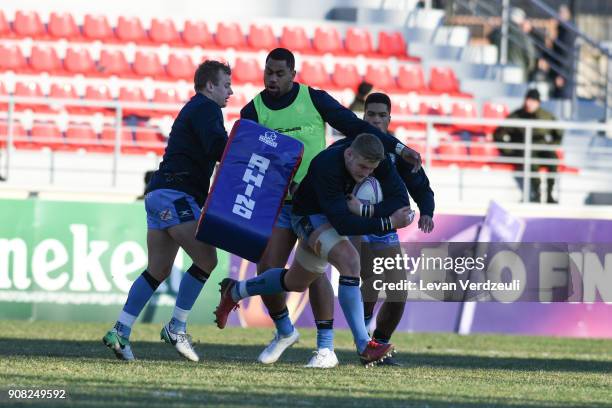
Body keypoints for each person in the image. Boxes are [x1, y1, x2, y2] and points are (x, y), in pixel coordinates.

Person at [238, 47, 422, 365]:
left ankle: (326, 347)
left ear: (293, 75)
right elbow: (250, 159)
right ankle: (284, 330)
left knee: (320, 272)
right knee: (270, 271)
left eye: (280, 73)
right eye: (268, 72)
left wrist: (400, 148)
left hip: (320, 203)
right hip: (280, 203)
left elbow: (356, 126)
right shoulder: (252, 111)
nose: (272, 78)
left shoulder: (314, 98)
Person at [214, 133, 415, 366]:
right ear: (349, 154)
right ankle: (364, 345)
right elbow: (344, 224)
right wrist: (388, 222)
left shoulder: (376, 162)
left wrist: (368, 211)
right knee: (350, 261)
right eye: (362, 167)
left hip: (330, 218)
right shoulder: (327, 165)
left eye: (372, 169)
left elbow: (400, 200)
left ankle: (235, 291)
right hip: (308, 217)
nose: (366, 173)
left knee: (296, 281)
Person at [102, 60, 233, 361]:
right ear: (210, 85)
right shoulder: (207, 108)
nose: (231, 91)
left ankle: (120, 331)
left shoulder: (195, 108)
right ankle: (176, 326)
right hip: (177, 194)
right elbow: (218, 148)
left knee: (157, 270)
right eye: (226, 84)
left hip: (159, 193)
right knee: (207, 258)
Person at [301, 92, 435, 368]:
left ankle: (379, 343)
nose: (375, 119)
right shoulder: (347, 150)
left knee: (398, 293)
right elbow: (336, 202)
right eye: (370, 114)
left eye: (380, 115)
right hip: (354, 228)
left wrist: (427, 209)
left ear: (389, 118)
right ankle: (363, 345)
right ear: (363, 118)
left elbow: (417, 186)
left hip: (383, 228)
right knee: (370, 282)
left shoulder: (396, 153)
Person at [493, 89, 563, 203]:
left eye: (533, 101)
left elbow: (558, 133)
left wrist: (552, 146)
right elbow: (499, 134)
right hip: (525, 149)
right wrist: (509, 150)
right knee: (531, 160)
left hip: (541, 147)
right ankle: (536, 193)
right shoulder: (516, 116)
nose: (529, 103)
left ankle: (549, 194)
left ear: (538, 102)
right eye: (528, 100)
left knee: (553, 159)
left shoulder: (546, 116)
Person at [488, 7, 536, 82]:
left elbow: (490, 38)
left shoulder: (498, 33)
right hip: (518, 73)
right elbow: (530, 56)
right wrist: (528, 69)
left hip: (499, 71)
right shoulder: (523, 36)